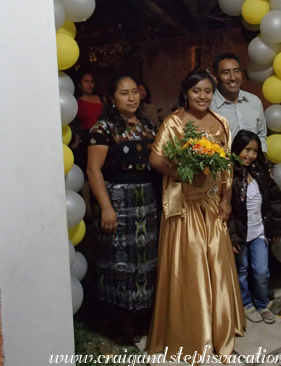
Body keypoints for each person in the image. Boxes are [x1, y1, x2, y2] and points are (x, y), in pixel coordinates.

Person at [147, 69, 245, 360]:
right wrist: (182, 173)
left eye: (207, 91)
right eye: (196, 91)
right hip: (185, 206)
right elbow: (156, 159)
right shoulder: (174, 122)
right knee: (189, 267)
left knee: (216, 262)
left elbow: (227, 164)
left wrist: (227, 199)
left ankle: (220, 329)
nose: (202, 97)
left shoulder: (221, 122)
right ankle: (191, 333)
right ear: (186, 93)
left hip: (213, 204)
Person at [87, 74, 159, 342]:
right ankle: (121, 323)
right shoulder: (104, 128)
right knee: (120, 263)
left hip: (147, 200)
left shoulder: (149, 126)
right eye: (124, 93)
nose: (131, 98)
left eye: (134, 92)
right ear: (112, 98)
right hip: (118, 200)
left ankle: (144, 317)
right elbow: (93, 169)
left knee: (145, 261)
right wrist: (106, 207)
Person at [228, 130, 281, 324]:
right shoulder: (229, 175)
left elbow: (275, 201)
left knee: (262, 271)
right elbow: (227, 212)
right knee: (242, 270)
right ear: (236, 150)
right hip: (242, 234)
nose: (250, 155)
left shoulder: (262, 173)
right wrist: (233, 238)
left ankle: (262, 303)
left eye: (255, 151)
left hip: (260, 232)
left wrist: (277, 229)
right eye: (246, 150)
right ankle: (246, 304)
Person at [210, 53, 267, 151]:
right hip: (224, 164)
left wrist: (263, 159)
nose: (232, 77)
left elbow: (261, 135)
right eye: (226, 72)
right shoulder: (210, 105)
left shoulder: (254, 101)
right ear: (215, 77)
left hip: (253, 163)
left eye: (236, 71)